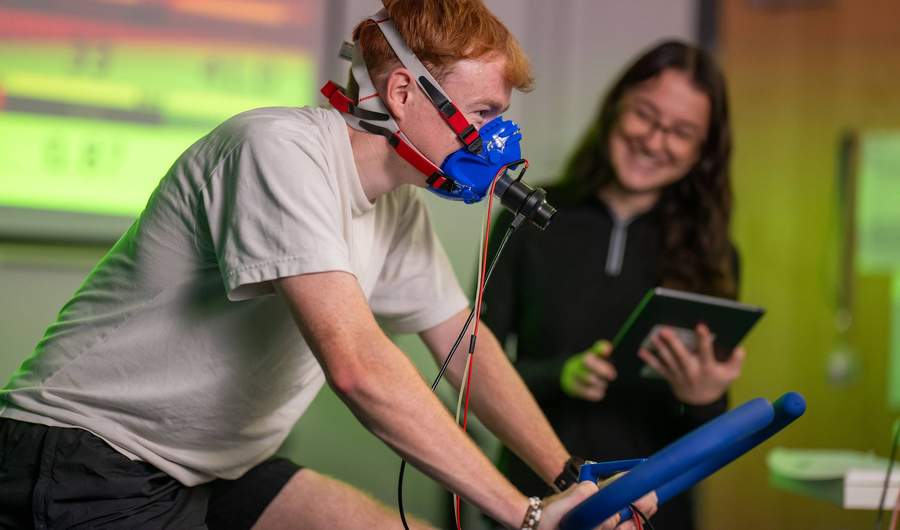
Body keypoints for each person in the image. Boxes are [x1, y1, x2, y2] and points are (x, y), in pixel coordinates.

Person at [0, 1, 656, 529]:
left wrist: (574, 478)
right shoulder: (278, 151)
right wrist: (525, 514)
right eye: (484, 113)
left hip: (218, 466)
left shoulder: (396, 208)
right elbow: (358, 368)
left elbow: (466, 350)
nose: (499, 140)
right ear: (404, 91)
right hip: (88, 456)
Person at [481, 40, 744, 530]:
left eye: (681, 132)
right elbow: (475, 366)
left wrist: (705, 396)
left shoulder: (714, 255)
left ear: (702, 151)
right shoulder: (530, 218)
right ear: (615, 108)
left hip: (651, 514)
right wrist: (559, 375)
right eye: (645, 115)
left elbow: (710, 438)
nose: (655, 141)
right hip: (532, 503)